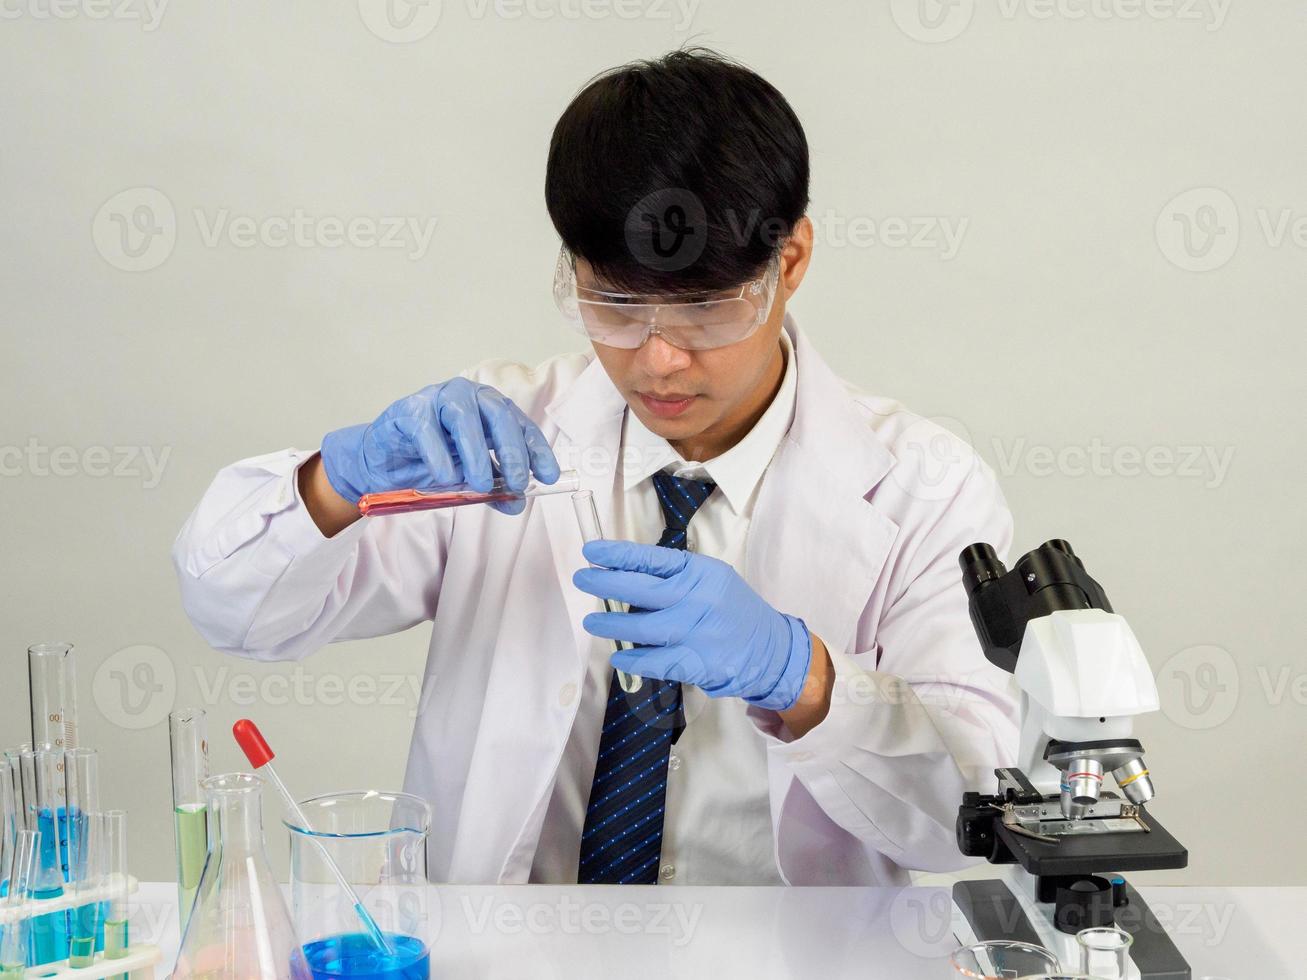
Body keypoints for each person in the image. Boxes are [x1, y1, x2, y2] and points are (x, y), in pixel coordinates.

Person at [173, 48, 1017, 886]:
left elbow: (969, 818)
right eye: (613, 304)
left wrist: (804, 680)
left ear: (788, 262)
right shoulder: (492, 437)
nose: (658, 361)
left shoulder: (924, 486)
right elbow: (234, 610)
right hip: (506, 948)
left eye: (702, 310)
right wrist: (338, 482)